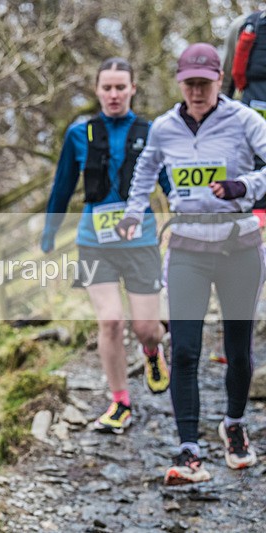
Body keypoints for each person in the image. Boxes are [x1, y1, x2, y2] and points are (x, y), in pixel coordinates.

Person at [117, 43, 266, 485]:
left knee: (238, 351)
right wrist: (131, 211)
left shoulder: (245, 120)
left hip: (239, 246)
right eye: (190, 84)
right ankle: (189, 450)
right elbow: (145, 172)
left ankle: (234, 426)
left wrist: (245, 185)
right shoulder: (164, 127)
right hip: (186, 248)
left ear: (220, 80)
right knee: (183, 349)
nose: (197, 92)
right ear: (180, 83)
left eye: (205, 83)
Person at [41, 58, 169, 436]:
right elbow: (63, 186)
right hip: (94, 242)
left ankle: (151, 352)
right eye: (107, 88)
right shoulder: (79, 134)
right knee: (110, 320)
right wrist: (50, 232)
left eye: (120, 87)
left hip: (141, 240)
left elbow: (170, 182)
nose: (114, 95)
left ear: (132, 89)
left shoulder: (152, 131)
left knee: (148, 328)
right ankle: (120, 401)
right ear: (97, 91)